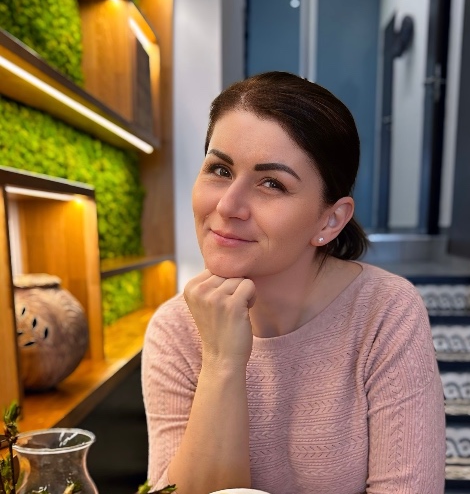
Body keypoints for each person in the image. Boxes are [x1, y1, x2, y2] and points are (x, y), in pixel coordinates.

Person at [141, 71, 446, 494]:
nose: (228, 205)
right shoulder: (175, 328)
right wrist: (222, 361)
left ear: (330, 220)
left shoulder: (385, 312)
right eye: (220, 169)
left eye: (272, 183)